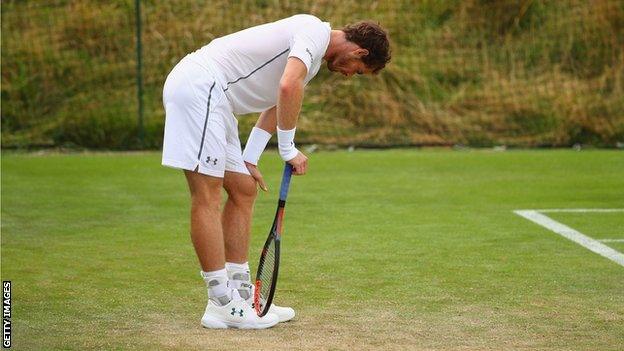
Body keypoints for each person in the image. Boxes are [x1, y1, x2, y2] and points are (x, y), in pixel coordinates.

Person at [161, 14, 391, 329]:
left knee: (243, 189)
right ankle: (220, 303)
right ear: (359, 52)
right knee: (207, 195)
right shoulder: (313, 32)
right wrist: (287, 149)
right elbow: (286, 87)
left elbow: (277, 101)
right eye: (359, 71)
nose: (351, 75)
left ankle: (242, 297)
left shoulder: (309, 57)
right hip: (201, 88)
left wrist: (251, 157)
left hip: (217, 101)